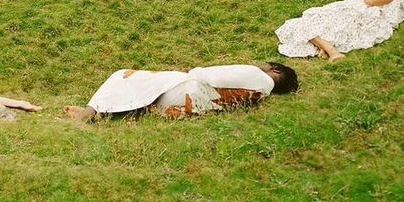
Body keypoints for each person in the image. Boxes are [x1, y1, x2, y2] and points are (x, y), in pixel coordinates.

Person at [63, 62, 298, 122]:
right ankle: (105, 113)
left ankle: (89, 113)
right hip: (185, 108)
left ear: (274, 70)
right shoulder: (260, 94)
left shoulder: (256, 75)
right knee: (145, 86)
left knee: (123, 75)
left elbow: (208, 75)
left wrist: (191, 70)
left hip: (184, 92)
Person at [275, 0, 404, 62]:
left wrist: (350, 4)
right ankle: (326, 47)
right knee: (300, 24)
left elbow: (371, 1)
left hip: (360, 14)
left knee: (304, 24)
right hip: (354, 12)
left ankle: (331, 50)